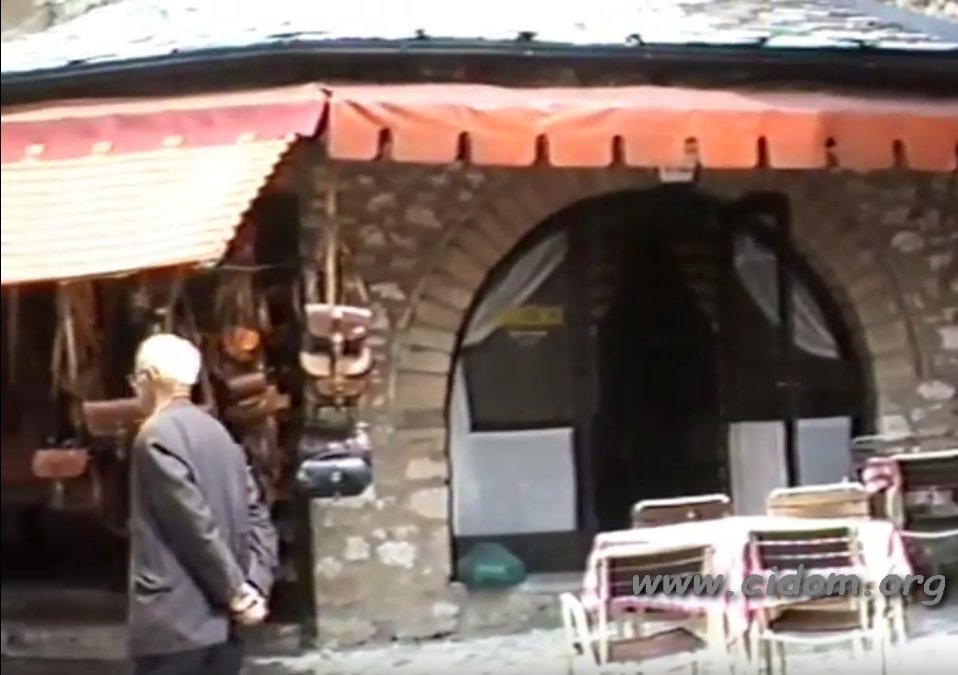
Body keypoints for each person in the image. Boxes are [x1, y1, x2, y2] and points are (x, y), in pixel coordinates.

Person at [127, 333, 278, 675]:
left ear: (150, 377)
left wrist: (236, 592)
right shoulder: (219, 434)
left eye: (135, 379)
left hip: (177, 624)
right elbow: (257, 516)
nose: (135, 389)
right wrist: (255, 586)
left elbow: (193, 526)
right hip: (225, 627)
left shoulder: (155, 437)